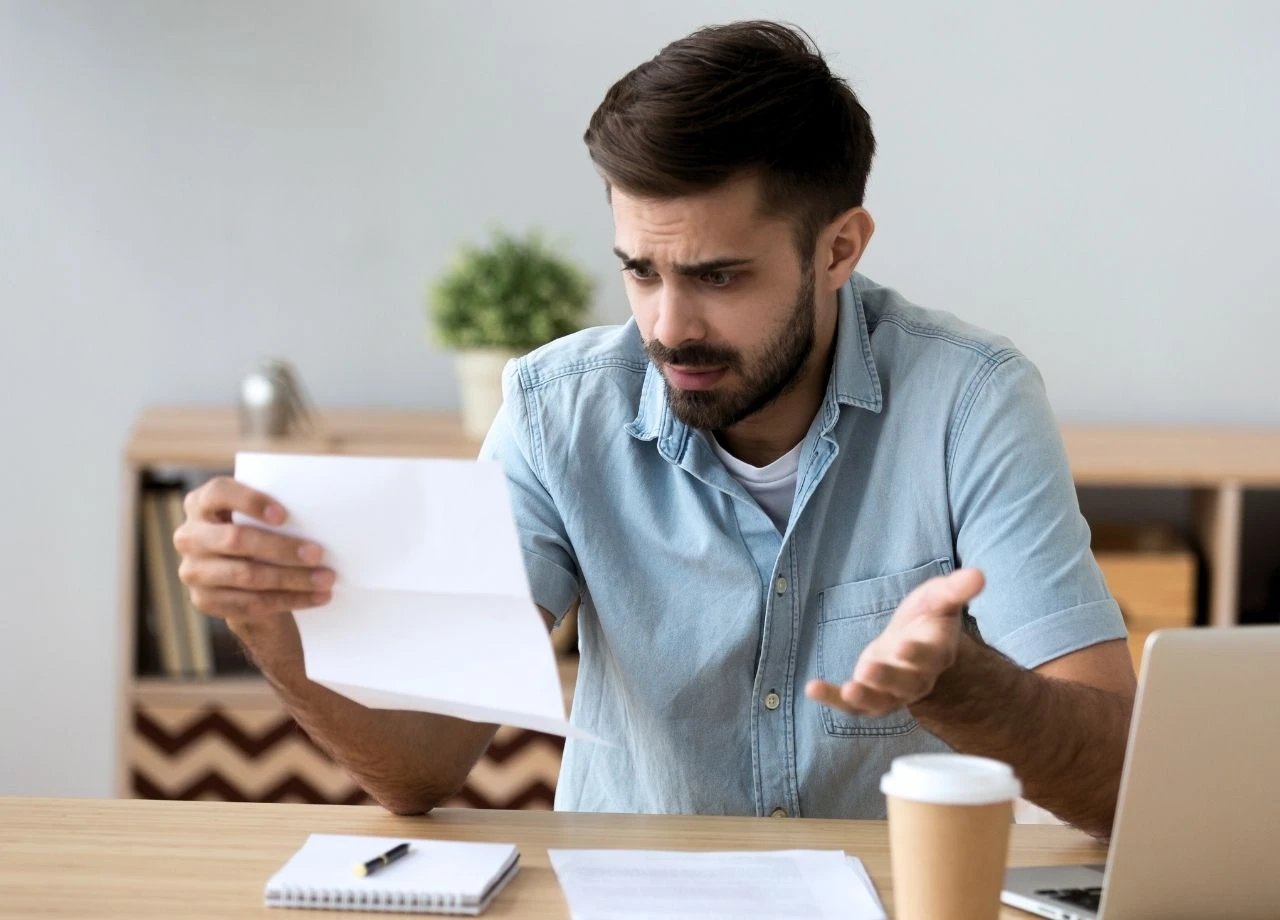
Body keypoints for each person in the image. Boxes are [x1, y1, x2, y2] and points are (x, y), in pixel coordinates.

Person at [174, 20, 1135, 838]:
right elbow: (423, 768)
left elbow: (1116, 780)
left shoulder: (972, 405)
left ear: (838, 248)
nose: (669, 327)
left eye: (717, 276)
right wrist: (269, 626)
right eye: (640, 271)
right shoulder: (557, 413)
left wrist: (963, 685)